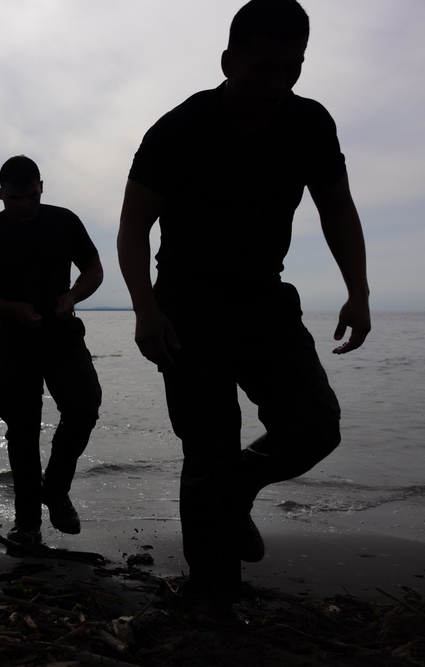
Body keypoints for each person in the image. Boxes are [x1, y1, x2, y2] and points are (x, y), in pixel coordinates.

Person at [116, 0, 371, 615]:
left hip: (266, 300)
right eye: (262, 68)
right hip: (188, 306)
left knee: (314, 425)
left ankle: (239, 491)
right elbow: (132, 229)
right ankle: (213, 588)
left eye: (293, 68)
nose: (277, 83)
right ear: (229, 62)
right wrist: (145, 309)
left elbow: (336, 207)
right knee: (209, 446)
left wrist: (358, 291)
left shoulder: (310, 124)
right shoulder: (178, 129)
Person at [0, 155, 104, 546]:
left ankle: (55, 488)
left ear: (42, 187)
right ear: (0, 194)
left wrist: (72, 295)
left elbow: (94, 270)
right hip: (14, 344)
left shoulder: (64, 221)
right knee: (21, 432)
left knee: (85, 407)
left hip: (62, 336)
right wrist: (11, 309)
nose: (24, 205)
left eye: (31, 196)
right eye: (15, 198)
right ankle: (28, 525)